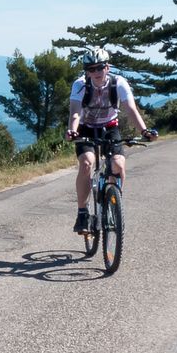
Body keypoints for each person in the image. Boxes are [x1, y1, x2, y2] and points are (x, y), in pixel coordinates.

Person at [64, 46, 157, 233]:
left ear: (108, 67)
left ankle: (114, 201)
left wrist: (145, 130)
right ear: (86, 71)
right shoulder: (80, 85)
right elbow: (75, 113)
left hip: (110, 127)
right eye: (91, 69)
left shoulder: (118, 83)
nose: (96, 72)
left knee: (118, 164)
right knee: (87, 164)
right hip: (86, 128)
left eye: (100, 67)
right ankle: (82, 212)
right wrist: (72, 131)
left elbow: (131, 109)